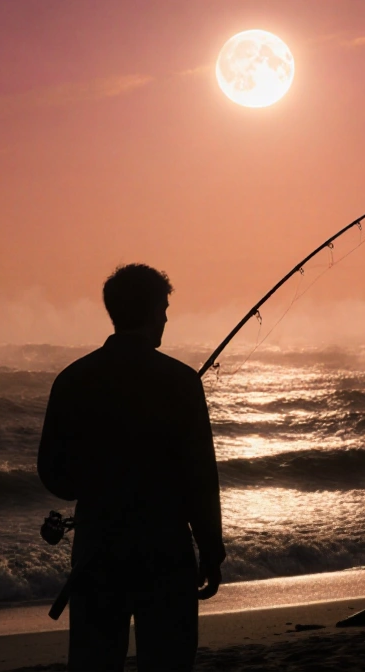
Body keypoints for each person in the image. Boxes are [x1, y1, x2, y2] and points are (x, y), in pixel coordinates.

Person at [37, 264, 225, 671]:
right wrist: (211, 550)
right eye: (164, 308)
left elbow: (53, 474)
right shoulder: (181, 382)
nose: (167, 318)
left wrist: (97, 481)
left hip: (96, 553)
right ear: (152, 310)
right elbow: (201, 480)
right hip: (167, 554)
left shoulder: (72, 380)